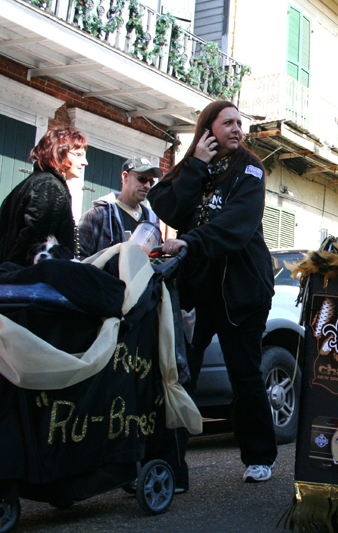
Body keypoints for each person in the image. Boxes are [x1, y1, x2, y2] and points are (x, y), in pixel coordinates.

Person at [147, 100, 277, 486]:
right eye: (228, 122)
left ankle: (259, 457)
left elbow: (237, 225)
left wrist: (189, 242)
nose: (237, 128)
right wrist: (195, 166)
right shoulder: (196, 167)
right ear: (208, 129)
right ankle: (171, 466)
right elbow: (166, 204)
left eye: (241, 122)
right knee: (181, 376)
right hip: (197, 292)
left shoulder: (251, 169)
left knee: (245, 377)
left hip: (242, 294)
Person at [0, 127, 88, 266]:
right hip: (29, 281)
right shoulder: (50, 187)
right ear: (59, 152)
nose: (84, 162)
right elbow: (32, 242)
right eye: (78, 154)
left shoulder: (32, 183)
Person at [78, 156, 163, 257]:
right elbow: (80, 259)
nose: (148, 186)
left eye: (151, 182)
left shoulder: (152, 218)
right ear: (125, 177)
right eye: (142, 179)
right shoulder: (98, 214)